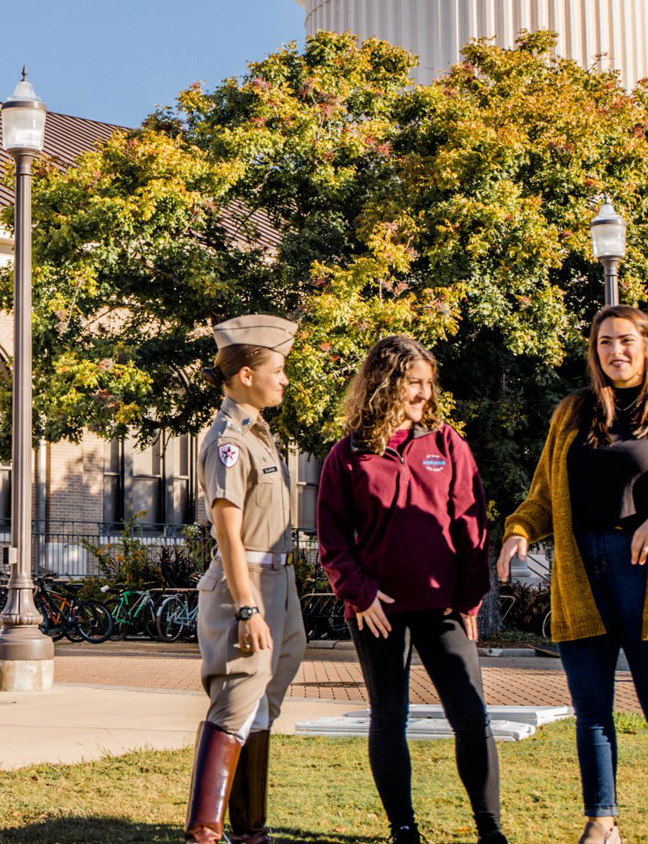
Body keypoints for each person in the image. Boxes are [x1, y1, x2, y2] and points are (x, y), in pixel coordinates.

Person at [496, 305, 648, 844]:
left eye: (625, 341)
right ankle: (602, 821)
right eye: (604, 343)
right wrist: (520, 531)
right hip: (581, 573)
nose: (614, 352)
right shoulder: (572, 413)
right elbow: (545, 495)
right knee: (590, 710)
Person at [317, 336, 505, 844]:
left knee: (470, 715)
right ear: (385, 383)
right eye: (414, 383)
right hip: (378, 610)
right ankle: (404, 830)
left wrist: (469, 598)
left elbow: (471, 522)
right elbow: (332, 539)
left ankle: (490, 830)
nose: (425, 393)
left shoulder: (447, 443)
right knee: (389, 717)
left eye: (428, 383)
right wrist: (360, 594)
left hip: (443, 606)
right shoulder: (347, 454)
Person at [185, 314, 307, 844]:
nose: (284, 379)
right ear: (246, 375)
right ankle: (204, 832)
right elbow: (228, 535)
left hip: (279, 580)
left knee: (260, 708)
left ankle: (250, 832)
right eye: (277, 369)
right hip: (248, 582)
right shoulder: (229, 440)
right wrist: (247, 608)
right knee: (236, 702)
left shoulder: (260, 433)